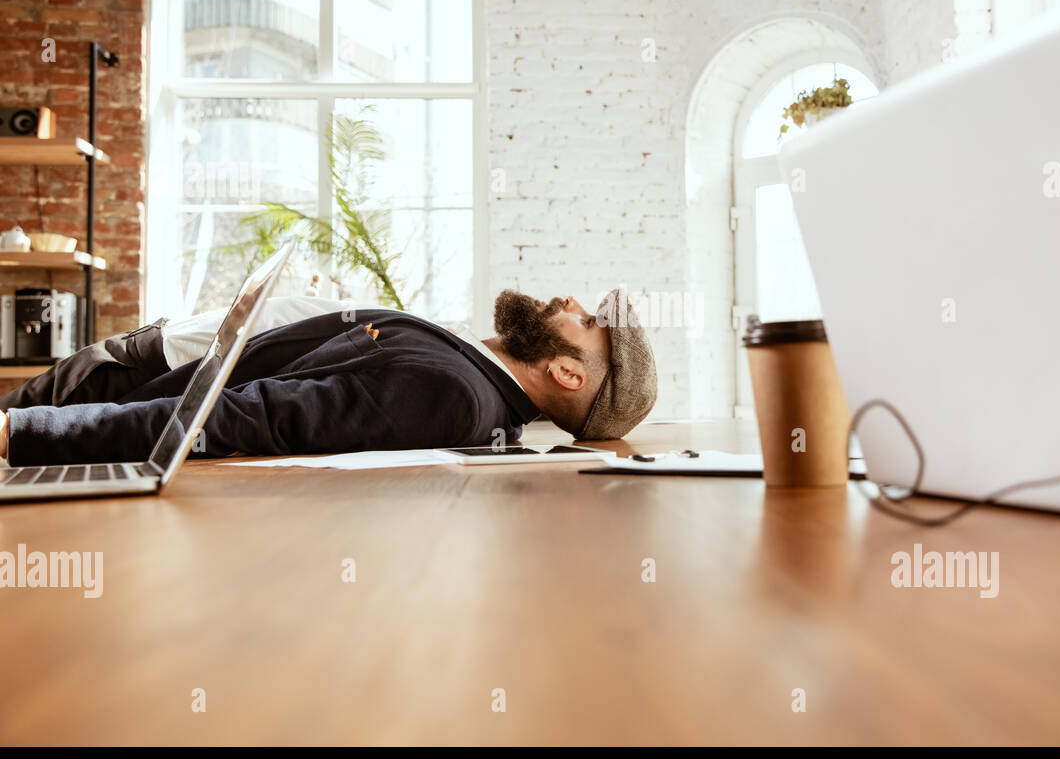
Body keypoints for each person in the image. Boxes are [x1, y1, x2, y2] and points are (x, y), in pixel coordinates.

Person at [0, 288, 657, 466]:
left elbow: (239, 416)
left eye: (588, 320)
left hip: (117, 391)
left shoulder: (454, 392)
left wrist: (21, 432)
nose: (571, 301)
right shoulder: (469, 370)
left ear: (569, 372)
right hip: (145, 365)